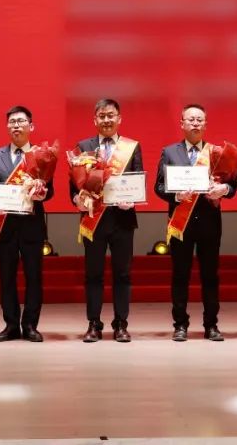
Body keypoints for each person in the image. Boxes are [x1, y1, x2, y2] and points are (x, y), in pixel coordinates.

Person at [154, 103, 235, 342]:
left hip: (210, 222)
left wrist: (224, 189)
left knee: (210, 275)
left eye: (200, 119)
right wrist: (175, 196)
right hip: (181, 223)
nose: (196, 123)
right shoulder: (170, 152)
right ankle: (180, 324)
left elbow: (232, 185)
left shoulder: (216, 152)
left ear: (206, 124)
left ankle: (211, 325)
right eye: (191, 119)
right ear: (182, 124)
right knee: (180, 275)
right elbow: (159, 186)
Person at [70, 98, 143, 343]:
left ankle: (121, 323)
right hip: (94, 220)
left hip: (123, 220)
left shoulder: (131, 147)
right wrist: (77, 199)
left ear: (119, 119)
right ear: (95, 120)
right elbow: (74, 186)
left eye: (111, 115)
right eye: (102, 116)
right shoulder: (84, 146)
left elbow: (137, 180)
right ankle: (94, 323)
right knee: (93, 274)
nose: (107, 120)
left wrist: (133, 199)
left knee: (123, 274)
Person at [0, 105, 54, 342]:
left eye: (21, 121)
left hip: (32, 224)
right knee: (7, 277)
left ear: (31, 126)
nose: (16, 125)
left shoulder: (42, 155)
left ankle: (30, 325)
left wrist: (42, 194)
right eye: (12, 122)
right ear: (7, 127)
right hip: (5, 225)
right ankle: (11, 325)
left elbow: (50, 190)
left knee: (34, 277)